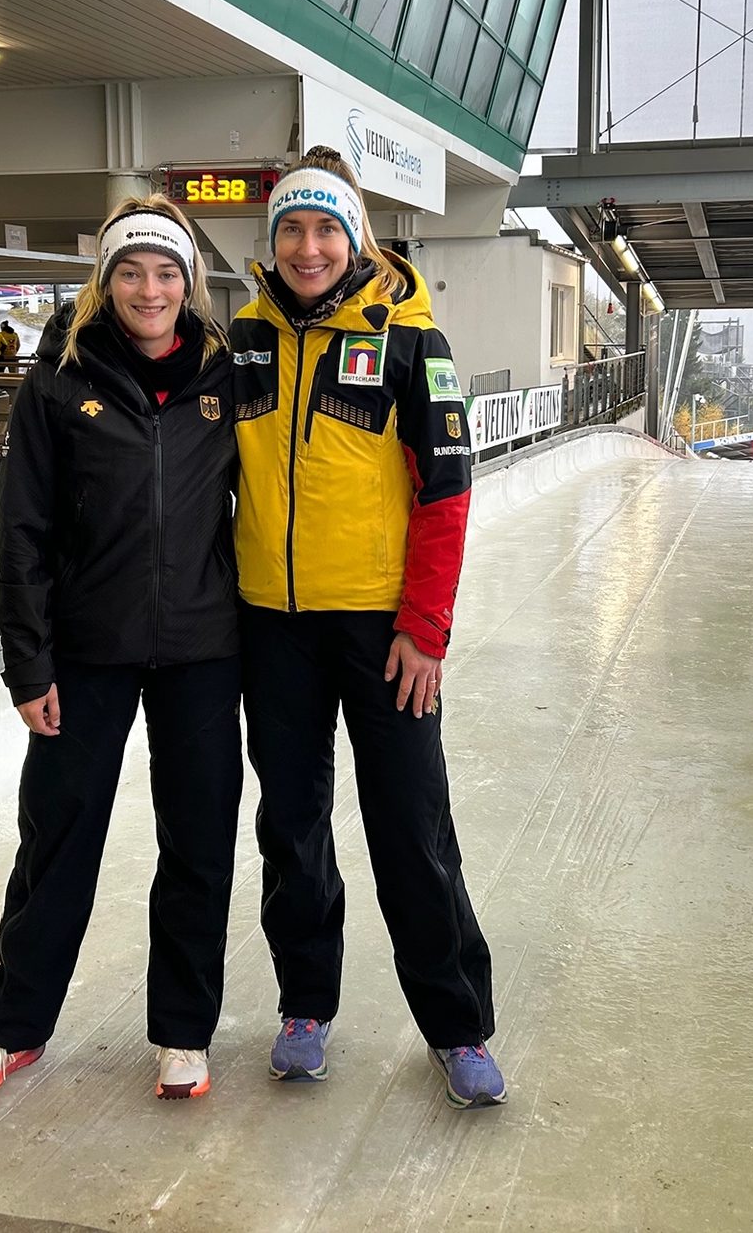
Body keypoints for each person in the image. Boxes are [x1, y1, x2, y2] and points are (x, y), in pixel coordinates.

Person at [0, 195, 242, 1103]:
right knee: (59, 837)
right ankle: (13, 1027)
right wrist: (27, 663)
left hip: (201, 648)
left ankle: (184, 1032)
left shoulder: (228, 379)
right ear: (103, 283)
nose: (149, 289)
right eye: (130, 271)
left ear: (189, 284)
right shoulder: (56, 382)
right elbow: (22, 529)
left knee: (198, 840)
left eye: (166, 272)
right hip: (86, 652)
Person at [230, 146, 504, 1109]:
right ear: (274, 241)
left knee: (411, 827)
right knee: (290, 825)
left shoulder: (408, 341)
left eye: (326, 229)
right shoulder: (247, 338)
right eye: (292, 230)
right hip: (275, 631)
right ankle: (305, 1005)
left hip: (385, 633)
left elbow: (449, 491)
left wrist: (425, 626)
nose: (309, 248)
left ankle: (458, 1023)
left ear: (355, 238)